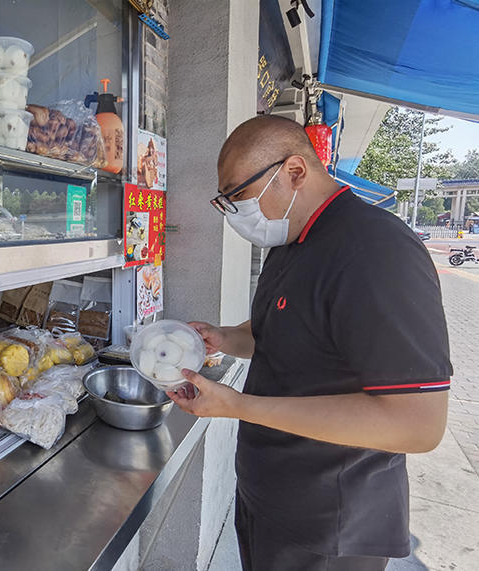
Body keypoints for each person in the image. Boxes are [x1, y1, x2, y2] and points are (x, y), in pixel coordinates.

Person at [168, 115, 452, 571]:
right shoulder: (292, 239)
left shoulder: (376, 250)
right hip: (269, 500)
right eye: (226, 201)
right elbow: (278, 335)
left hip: (331, 525)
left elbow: (416, 424)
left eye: (239, 195)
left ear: (295, 171)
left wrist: (238, 405)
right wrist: (222, 337)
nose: (236, 212)